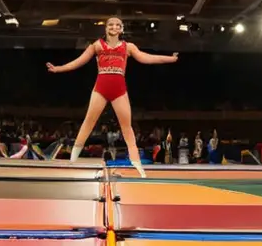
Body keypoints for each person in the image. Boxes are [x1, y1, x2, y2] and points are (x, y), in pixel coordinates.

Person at [46, 17, 178, 177]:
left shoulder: (128, 47)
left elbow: (147, 58)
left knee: (127, 128)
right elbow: (79, 61)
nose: (114, 27)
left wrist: (170, 59)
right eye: (111, 24)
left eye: (117, 25)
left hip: (119, 90)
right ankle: (72, 161)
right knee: (88, 122)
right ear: (106, 28)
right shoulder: (96, 45)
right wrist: (59, 69)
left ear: (122, 29)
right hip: (100, 88)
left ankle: (138, 166)